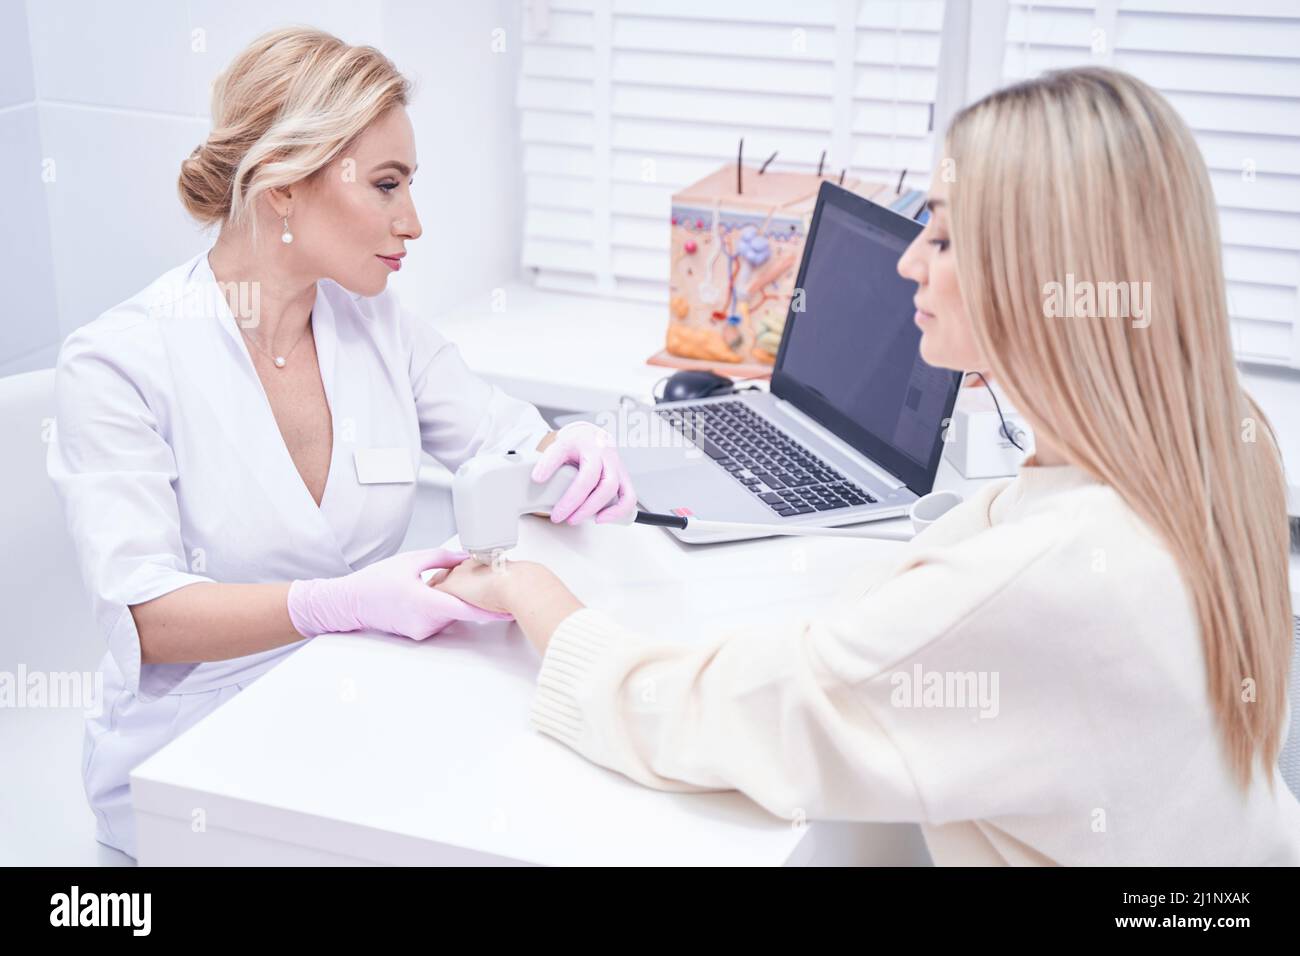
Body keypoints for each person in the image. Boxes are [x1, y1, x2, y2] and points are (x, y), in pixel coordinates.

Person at [433, 67, 1300, 865]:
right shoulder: (1224, 440)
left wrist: (532, 593)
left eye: (948, 241)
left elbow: (710, 720)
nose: (909, 262)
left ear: (1039, 281)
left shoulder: (1052, 583)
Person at [46, 27, 635, 860]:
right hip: (191, 758)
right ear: (284, 185)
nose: (414, 222)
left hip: (351, 706)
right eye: (387, 185)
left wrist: (567, 452)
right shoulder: (121, 361)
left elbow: (505, 445)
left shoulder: (375, 324)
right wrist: (336, 602)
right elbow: (150, 619)